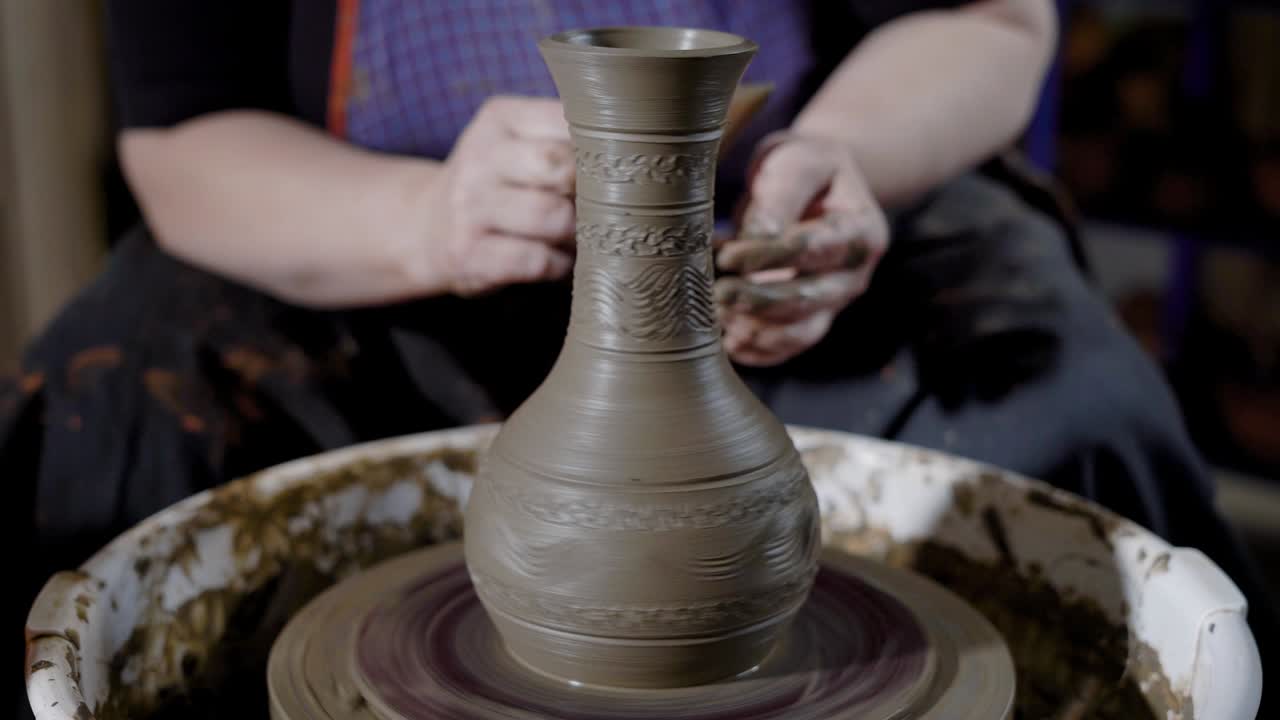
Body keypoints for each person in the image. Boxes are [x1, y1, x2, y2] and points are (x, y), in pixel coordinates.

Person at [6, 1, 1273, 715]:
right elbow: (177, 145)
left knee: (1073, 425)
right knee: (103, 423)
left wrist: (843, 163)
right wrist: (414, 223)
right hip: (369, 225)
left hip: (789, 221)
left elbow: (990, 21)